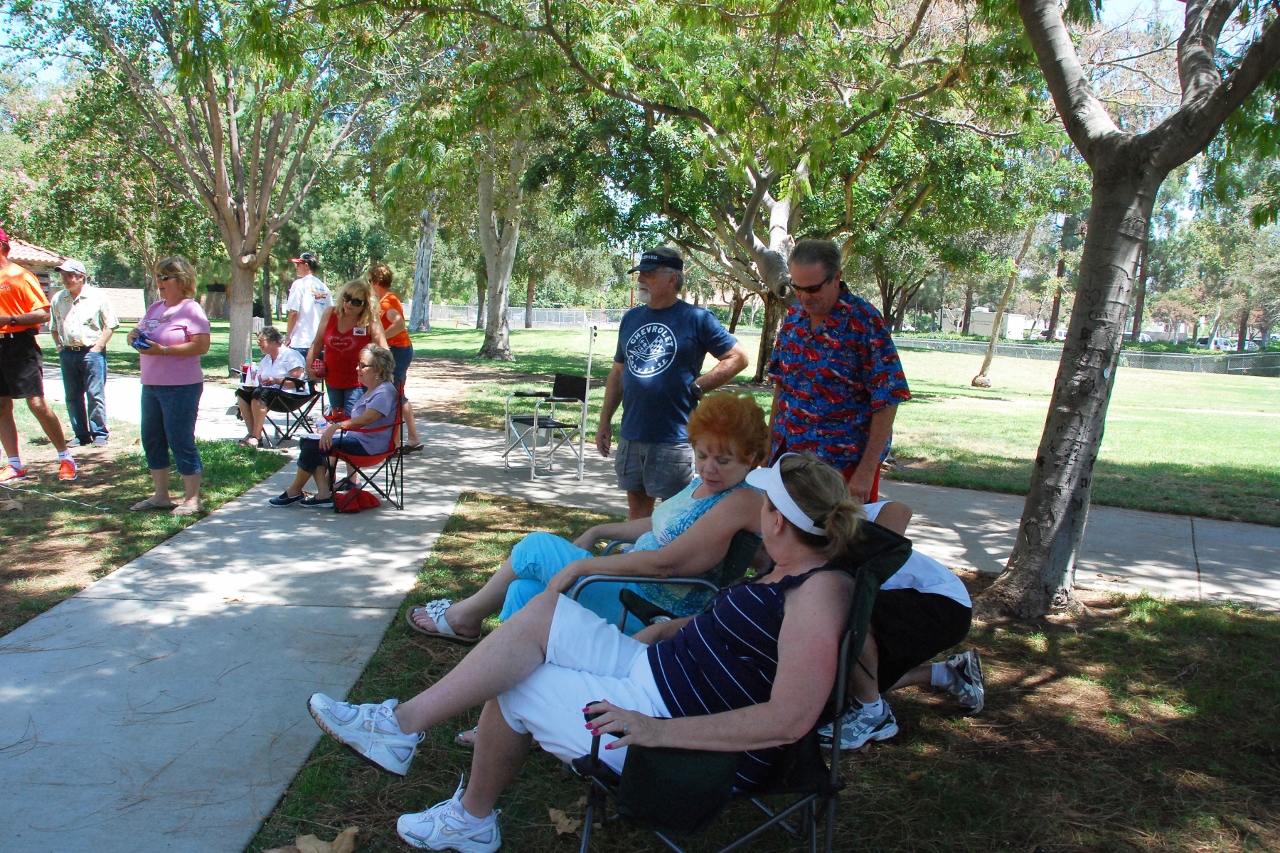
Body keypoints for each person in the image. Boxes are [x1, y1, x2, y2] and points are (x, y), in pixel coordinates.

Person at [308, 452, 865, 852]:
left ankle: (469, 820)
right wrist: (672, 630)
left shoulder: (817, 595)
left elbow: (790, 720)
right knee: (543, 615)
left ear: (775, 518)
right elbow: (743, 642)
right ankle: (399, 728)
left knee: (519, 679)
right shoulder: (788, 571)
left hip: (676, 725)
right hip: (654, 670)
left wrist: (656, 730)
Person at [406, 391, 770, 651]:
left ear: (751, 457)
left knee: (535, 547)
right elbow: (658, 524)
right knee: (523, 592)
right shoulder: (704, 484)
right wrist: (598, 530)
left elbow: (667, 563)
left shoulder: (741, 500)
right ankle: (518, 705)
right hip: (628, 588)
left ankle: (464, 620)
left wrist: (584, 565)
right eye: (703, 454)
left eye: (724, 461)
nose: (709, 467)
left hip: (649, 609)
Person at [817, 498, 984, 750]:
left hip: (941, 602)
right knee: (845, 687)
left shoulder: (828, 517)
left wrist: (868, 563)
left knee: (842, 610)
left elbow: (899, 509)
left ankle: (872, 713)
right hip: (928, 604)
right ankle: (947, 674)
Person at [596, 246, 749, 520]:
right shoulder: (632, 318)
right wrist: (605, 421)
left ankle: (668, 563)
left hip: (673, 439)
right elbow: (618, 373)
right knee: (637, 513)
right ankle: (635, 560)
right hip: (632, 434)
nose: (642, 279)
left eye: (650, 274)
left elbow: (737, 358)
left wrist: (699, 386)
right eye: (641, 274)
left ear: (673, 279)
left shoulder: (697, 319)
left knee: (674, 516)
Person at [769, 238, 911, 503]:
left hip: (842, 466)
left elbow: (888, 399)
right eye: (797, 287)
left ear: (837, 278)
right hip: (788, 458)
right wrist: (768, 449)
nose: (804, 297)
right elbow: (781, 386)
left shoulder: (865, 322)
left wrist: (866, 472)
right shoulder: (793, 319)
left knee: (836, 542)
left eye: (812, 288)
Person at [127, 256, 211, 516]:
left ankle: (193, 498)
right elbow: (142, 332)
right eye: (158, 276)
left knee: (180, 439)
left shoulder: (191, 309)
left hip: (181, 386)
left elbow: (202, 345)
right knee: (152, 439)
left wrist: (163, 350)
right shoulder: (155, 308)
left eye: (165, 277)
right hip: (151, 385)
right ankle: (161, 495)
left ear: (181, 280)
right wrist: (134, 336)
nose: (159, 282)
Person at [270, 344, 399, 509]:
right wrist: (332, 427)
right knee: (308, 441)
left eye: (362, 365)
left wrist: (336, 427)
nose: (357, 368)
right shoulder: (373, 390)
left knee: (312, 445)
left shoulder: (384, 392)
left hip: (370, 446)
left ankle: (297, 491)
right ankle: (322, 493)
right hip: (360, 439)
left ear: (378, 370)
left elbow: (366, 419)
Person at [0, 228, 77, 483]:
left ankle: (66, 458)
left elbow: (43, 314)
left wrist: (9, 320)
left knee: (36, 404)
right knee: (1, 406)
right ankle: (14, 464)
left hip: (19, 345)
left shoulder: (20, 276)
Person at [50, 259, 119, 449]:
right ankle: (81, 434)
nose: (64, 279)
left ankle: (99, 433)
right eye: (62, 275)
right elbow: (54, 327)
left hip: (91, 353)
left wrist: (97, 347)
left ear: (81, 277)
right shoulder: (58, 298)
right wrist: (59, 346)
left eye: (69, 275)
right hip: (68, 354)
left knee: (95, 394)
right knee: (72, 396)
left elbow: (110, 324)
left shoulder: (98, 297)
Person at [305, 279, 388, 417]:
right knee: (337, 419)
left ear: (365, 305)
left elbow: (383, 349)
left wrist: (380, 374)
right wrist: (308, 366)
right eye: (347, 297)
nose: (349, 303)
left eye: (356, 302)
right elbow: (318, 343)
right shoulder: (329, 314)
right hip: (332, 379)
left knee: (352, 420)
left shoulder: (370, 319)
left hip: (359, 382)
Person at [369, 262, 423, 452]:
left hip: (399, 351)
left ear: (376, 281)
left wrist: (380, 336)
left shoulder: (386, 302)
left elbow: (399, 324)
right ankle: (407, 438)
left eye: (369, 281)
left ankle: (401, 440)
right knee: (397, 395)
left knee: (395, 395)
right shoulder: (389, 298)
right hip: (399, 350)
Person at [234, 326, 307, 448]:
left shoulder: (290, 355)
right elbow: (259, 378)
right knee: (242, 393)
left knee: (261, 393)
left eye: (261, 340)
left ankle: (256, 436)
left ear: (273, 341)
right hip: (272, 395)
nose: (258, 344)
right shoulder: (267, 359)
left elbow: (299, 382)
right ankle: (252, 433)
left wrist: (276, 381)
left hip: (292, 396)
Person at [283, 252, 331, 359]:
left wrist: (287, 336)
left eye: (298, 264)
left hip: (300, 343)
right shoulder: (324, 288)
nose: (296, 267)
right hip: (319, 344)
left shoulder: (299, 284)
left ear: (306, 265)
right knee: (315, 375)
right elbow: (330, 315)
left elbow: (294, 312)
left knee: (298, 375)